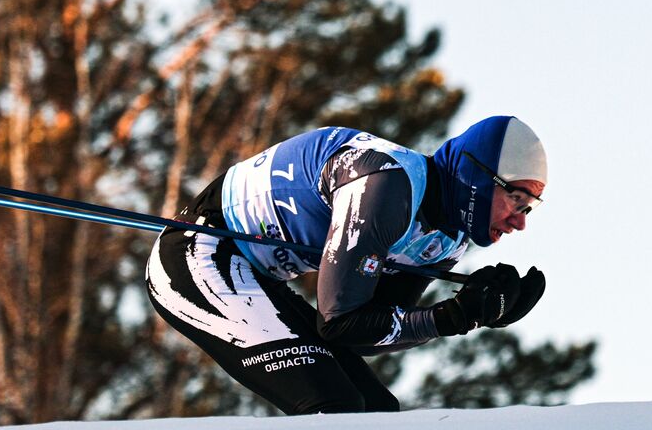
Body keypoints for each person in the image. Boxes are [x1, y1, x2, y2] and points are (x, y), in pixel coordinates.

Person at [144, 115, 547, 414]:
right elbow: (340, 322)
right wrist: (451, 318)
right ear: (478, 176)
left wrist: (463, 316)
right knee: (334, 406)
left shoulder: (446, 239)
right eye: (515, 198)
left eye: (529, 207)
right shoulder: (387, 185)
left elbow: (361, 334)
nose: (521, 221)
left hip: (259, 274)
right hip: (199, 254)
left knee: (377, 413)